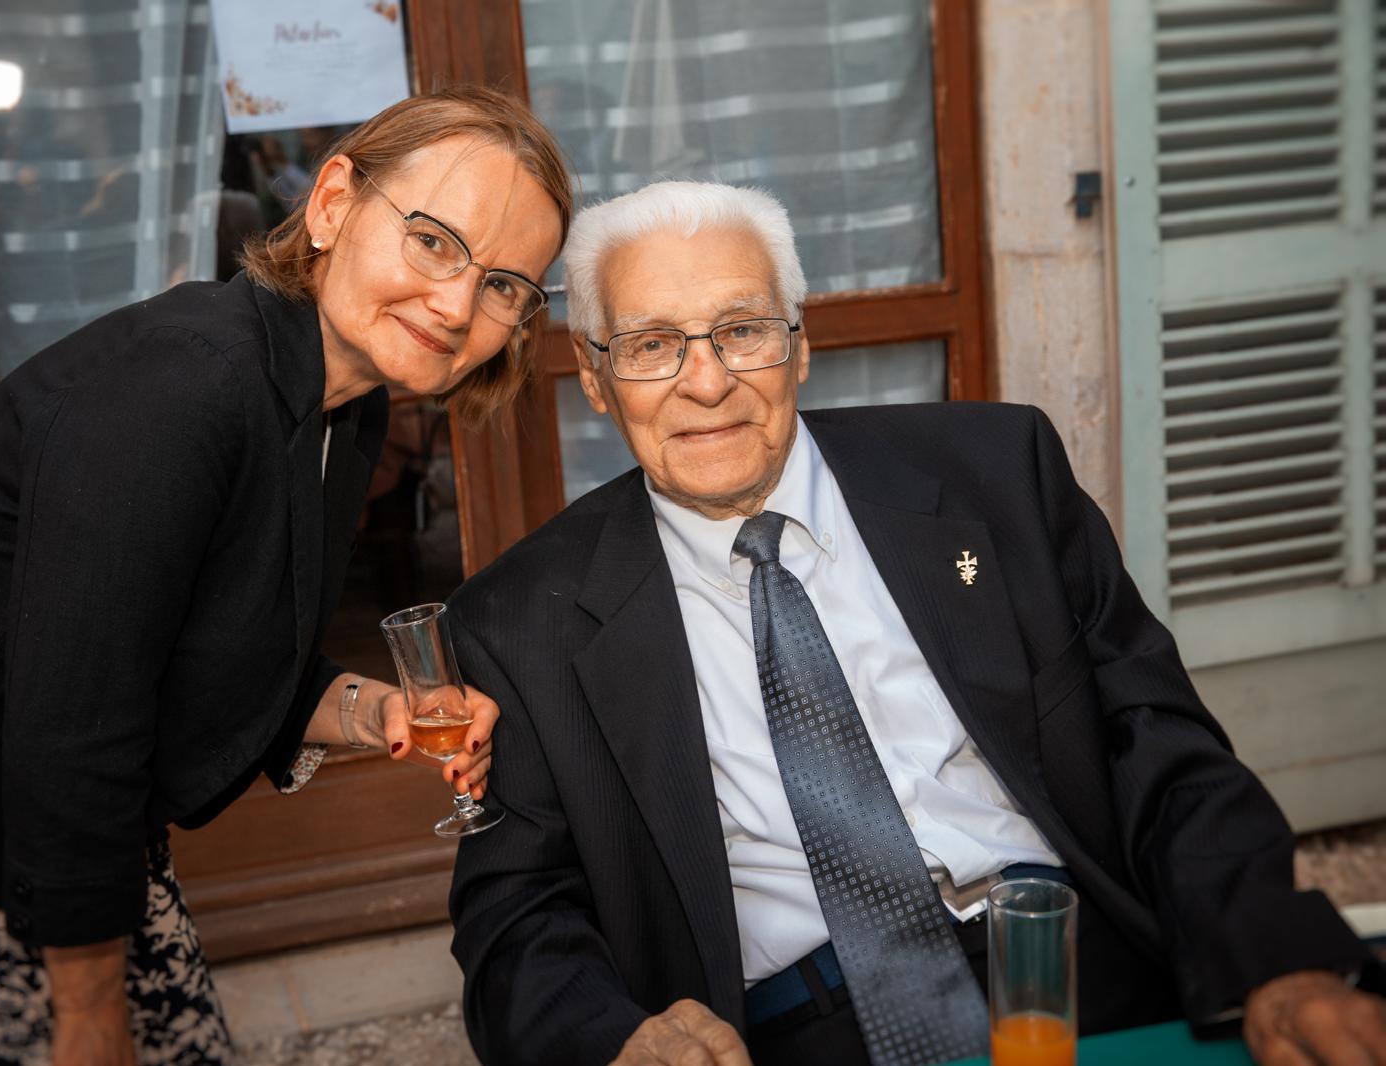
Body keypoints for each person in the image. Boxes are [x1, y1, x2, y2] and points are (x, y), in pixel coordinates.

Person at [445, 181, 1386, 1066]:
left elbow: (1155, 741)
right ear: (598, 377)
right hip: (804, 1024)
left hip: (1079, 961)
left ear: (801, 344)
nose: (707, 382)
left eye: (743, 330)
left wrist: (1276, 953)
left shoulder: (998, 474)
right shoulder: (525, 620)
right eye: (652, 345)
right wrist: (616, 1038)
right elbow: (517, 919)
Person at [0, 86, 569, 1066]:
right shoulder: (185, 385)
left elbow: (218, 645)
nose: (457, 304)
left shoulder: (346, 402)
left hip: (75, 838)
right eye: (432, 241)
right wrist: (89, 1012)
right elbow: (77, 719)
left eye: (504, 285)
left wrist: (380, 712)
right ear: (332, 205)